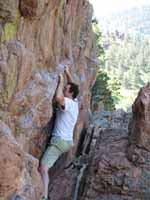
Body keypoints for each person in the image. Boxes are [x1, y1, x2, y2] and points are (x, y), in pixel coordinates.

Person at [39, 66, 79, 200]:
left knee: (43, 168)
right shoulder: (75, 102)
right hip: (67, 142)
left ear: (70, 93)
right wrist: (68, 73)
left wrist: (61, 81)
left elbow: (58, 98)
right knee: (47, 166)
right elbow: (73, 86)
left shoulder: (67, 102)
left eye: (66, 89)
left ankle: (44, 196)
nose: (63, 90)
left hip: (59, 141)